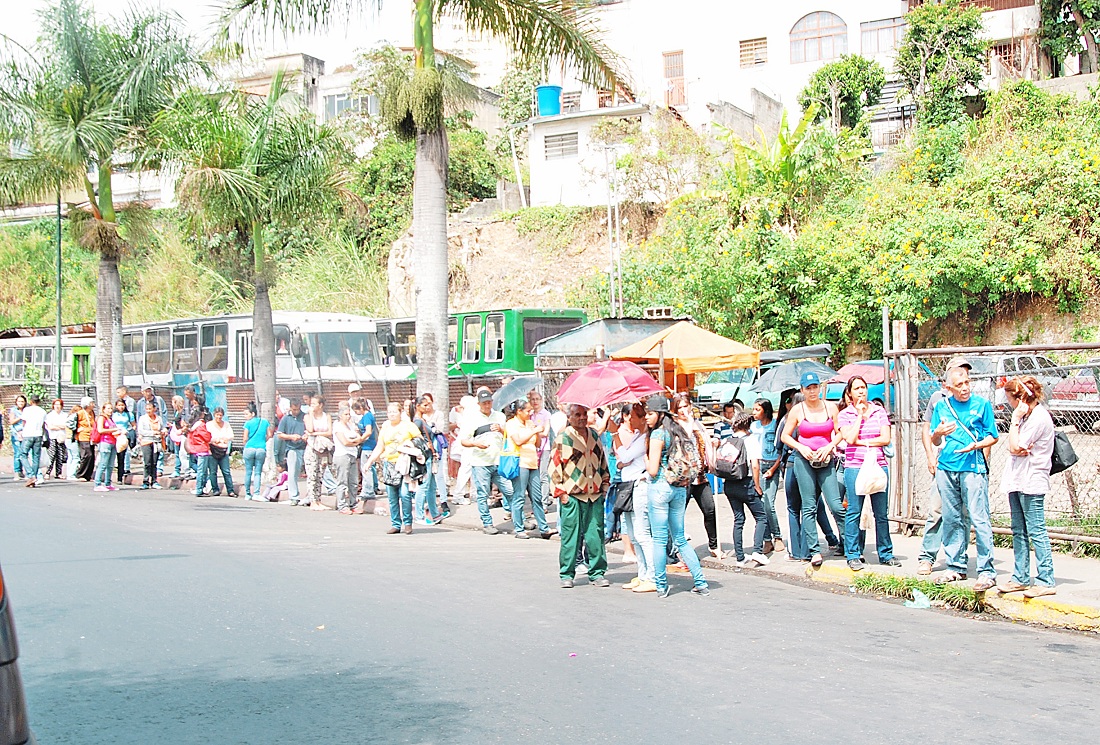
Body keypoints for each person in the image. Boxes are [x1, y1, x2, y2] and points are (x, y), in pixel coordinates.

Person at [930, 356, 1000, 592]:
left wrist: (977, 446)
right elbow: (935, 439)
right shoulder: (941, 406)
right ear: (948, 387)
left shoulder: (982, 405)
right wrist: (937, 433)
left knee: (979, 518)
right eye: (959, 385)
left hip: (973, 467)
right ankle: (955, 565)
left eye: (967, 383)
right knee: (951, 518)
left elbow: (993, 436)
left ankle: (987, 570)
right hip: (947, 467)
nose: (965, 388)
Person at [644, 395, 710, 598]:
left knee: (659, 539)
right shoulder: (679, 431)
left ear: (660, 414)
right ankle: (700, 581)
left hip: (660, 489)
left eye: (650, 413)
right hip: (680, 488)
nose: (647, 417)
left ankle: (661, 585)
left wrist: (644, 456)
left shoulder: (658, 435)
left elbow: (653, 470)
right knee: (680, 538)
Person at [1000, 376, 1057, 598]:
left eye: (1010, 400)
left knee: (1036, 530)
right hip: (1017, 478)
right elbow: (1014, 447)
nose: (1009, 405)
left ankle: (1046, 579)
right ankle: (1020, 577)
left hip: (1032, 480)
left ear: (1020, 399)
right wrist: (1015, 442)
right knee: (1019, 531)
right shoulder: (1027, 416)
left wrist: (1014, 421)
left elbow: (1015, 446)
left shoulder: (1037, 418)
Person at [780, 372, 844, 568]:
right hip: (804, 460)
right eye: (808, 388)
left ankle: (851, 545)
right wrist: (802, 447)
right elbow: (785, 436)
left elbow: (841, 432)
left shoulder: (830, 407)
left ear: (820, 388)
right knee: (808, 506)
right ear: (802, 390)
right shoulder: (798, 410)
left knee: (835, 504)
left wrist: (829, 446)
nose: (812, 391)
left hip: (826, 460)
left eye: (815, 386)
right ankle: (814, 551)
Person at [837, 376, 900, 571]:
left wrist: (865, 442)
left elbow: (885, 438)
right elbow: (849, 438)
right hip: (855, 466)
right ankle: (853, 554)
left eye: (863, 388)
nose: (861, 392)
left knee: (881, 513)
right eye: (856, 389)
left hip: (877, 465)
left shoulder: (879, 411)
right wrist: (858, 416)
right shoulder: (845, 414)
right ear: (850, 393)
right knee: (854, 511)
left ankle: (886, 553)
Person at [550, 404, 611, 588]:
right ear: (569, 417)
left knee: (596, 536)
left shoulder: (593, 435)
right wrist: (561, 494)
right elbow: (554, 467)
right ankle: (567, 574)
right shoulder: (563, 438)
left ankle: (597, 572)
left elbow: (602, 462)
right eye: (577, 415)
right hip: (573, 495)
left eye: (584, 414)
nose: (582, 418)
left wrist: (605, 486)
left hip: (594, 494)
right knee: (571, 537)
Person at [612, 403, 655, 592]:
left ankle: (652, 576)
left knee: (642, 533)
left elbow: (626, 455)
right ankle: (642, 573)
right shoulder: (638, 436)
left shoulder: (645, 438)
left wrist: (615, 435)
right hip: (627, 486)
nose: (629, 420)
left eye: (633, 417)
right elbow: (622, 460)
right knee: (632, 533)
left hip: (639, 486)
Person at [672, 394, 720, 558]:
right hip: (683, 478)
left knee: (710, 509)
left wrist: (713, 445)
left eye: (686, 406)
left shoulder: (698, 424)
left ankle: (713, 545)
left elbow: (705, 442)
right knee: (678, 514)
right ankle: (675, 548)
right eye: (680, 408)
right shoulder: (675, 426)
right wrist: (689, 423)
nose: (684, 410)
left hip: (700, 476)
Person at [461, 387, 514, 535]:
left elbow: (509, 435)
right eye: (484, 403)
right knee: (483, 493)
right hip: (480, 462)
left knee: (510, 491)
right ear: (479, 404)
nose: (487, 405)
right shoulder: (472, 418)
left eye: (489, 402)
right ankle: (487, 523)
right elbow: (464, 440)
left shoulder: (499, 416)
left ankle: (518, 519)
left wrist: (501, 430)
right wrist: (475, 444)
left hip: (498, 460)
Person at [720, 414, 770, 568]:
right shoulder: (751, 440)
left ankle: (740, 557)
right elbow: (755, 466)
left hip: (729, 484)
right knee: (761, 517)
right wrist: (757, 485)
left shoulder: (728, 440)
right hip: (746, 483)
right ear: (748, 425)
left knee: (739, 519)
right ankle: (757, 551)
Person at [366, 401, 422, 534]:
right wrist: (369, 461)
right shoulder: (385, 427)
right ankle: (396, 523)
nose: (392, 414)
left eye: (394, 412)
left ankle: (408, 523)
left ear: (400, 412)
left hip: (404, 464)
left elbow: (419, 440)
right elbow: (380, 446)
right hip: (389, 464)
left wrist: (409, 445)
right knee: (392, 496)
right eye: (389, 412)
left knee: (404, 494)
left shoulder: (408, 426)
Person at [505, 398, 552, 539]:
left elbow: (537, 443)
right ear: (519, 411)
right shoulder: (511, 424)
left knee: (536, 497)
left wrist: (536, 432)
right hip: (520, 463)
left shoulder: (530, 423)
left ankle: (544, 528)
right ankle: (519, 528)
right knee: (519, 496)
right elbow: (518, 440)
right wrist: (533, 431)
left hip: (532, 462)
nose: (530, 413)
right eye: (527, 411)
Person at [916, 383, 949, 575]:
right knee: (936, 510)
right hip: (943, 461)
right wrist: (930, 456)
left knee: (962, 515)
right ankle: (927, 557)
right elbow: (928, 430)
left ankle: (957, 559)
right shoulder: (938, 400)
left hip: (966, 464)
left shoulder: (976, 401)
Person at [750, 398, 785, 553]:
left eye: (757, 409)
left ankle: (777, 536)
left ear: (766, 410)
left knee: (768, 504)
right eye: (754, 409)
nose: (754, 413)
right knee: (760, 505)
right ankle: (767, 540)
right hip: (757, 466)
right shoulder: (753, 426)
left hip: (771, 466)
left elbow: (780, 450)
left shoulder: (775, 425)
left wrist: (774, 468)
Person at [412, 395, 444, 525]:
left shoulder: (422, 420)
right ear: (418, 406)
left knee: (431, 486)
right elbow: (416, 439)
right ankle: (419, 515)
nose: (427, 407)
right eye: (424, 405)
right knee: (424, 486)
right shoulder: (418, 422)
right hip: (425, 456)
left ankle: (434, 513)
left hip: (430, 455)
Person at [332, 402, 366, 514]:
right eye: (346, 414)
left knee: (353, 481)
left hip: (352, 455)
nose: (348, 416)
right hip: (342, 455)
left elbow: (360, 438)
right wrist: (353, 442)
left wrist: (354, 441)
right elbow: (344, 442)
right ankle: (342, 505)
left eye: (349, 414)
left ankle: (353, 503)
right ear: (340, 416)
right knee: (342, 481)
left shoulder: (351, 425)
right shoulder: (337, 425)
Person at [303, 395, 334, 511]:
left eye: (314, 404)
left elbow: (329, 432)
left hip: (323, 448)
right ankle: (312, 501)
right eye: (311, 404)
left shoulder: (327, 416)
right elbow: (310, 429)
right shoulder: (307, 417)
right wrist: (311, 414)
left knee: (320, 473)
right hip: (312, 447)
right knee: (312, 474)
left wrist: (315, 434)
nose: (312, 406)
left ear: (320, 405)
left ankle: (318, 499)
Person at [275, 400, 308, 505]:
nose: (296, 411)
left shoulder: (305, 417)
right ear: (290, 408)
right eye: (294, 409)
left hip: (305, 447)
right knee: (293, 472)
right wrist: (291, 437)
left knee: (312, 472)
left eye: (298, 409)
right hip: (292, 448)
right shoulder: (285, 419)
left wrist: (306, 436)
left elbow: (310, 429)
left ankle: (311, 496)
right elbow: (280, 434)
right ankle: (294, 496)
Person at [242, 402, 272, 501]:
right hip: (261, 448)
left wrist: (246, 444)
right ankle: (256, 493)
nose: (245, 416)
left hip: (249, 448)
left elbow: (245, 438)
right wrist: (263, 441)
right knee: (258, 472)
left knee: (248, 472)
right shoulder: (264, 422)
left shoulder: (248, 423)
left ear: (253, 414)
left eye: (247, 414)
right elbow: (269, 435)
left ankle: (247, 494)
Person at [206, 407, 236, 497]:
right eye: (217, 415)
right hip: (212, 450)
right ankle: (215, 489)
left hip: (223, 451)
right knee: (213, 471)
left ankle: (230, 490)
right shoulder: (209, 425)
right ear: (214, 415)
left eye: (220, 415)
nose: (219, 417)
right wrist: (214, 440)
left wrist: (225, 439)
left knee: (226, 471)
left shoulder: (226, 424)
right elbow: (207, 437)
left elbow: (231, 435)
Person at [19, 394, 47, 487]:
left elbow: (24, 422)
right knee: (36, 457)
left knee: (23, 454)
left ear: (31, 401)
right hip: (38, 434)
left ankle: (31, 475)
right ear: (39, 402)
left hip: (28, 434)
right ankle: (34, 477)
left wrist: (22, 432)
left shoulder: (27, 410)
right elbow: (43, 425)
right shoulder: (42, 411)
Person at [93, 403, 122, 492]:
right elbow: (100, 430)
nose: (110, 410)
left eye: (111, 408)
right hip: (105, 442)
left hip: (113, 442)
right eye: (108, 408)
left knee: (110, 465)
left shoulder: (111, 419)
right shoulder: (102, 418)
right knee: (103, 463)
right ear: (104, 409)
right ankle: (97, 483)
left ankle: (108, 483)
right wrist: (113, 430)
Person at [136, 401, 165, 490]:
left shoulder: (158, 418)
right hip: (146, 441)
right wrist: (153, 433)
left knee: (154, 462)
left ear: (154, 409)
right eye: (147, 409)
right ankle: (145, 481)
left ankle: (154, 481)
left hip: (156, 442)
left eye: (150, 409)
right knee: (147, 462)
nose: (148, 411)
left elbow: (162, 427)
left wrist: (163, 431)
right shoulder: (143, 419)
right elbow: (141, 431)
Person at [356, 399, 378, 500]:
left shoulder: (367, 416)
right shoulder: (366, 416)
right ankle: (371, 488)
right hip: (367, 445)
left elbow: (368, 431)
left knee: (366, 468)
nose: (356, 412)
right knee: (369, 468)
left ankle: (368, 491)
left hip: (368, 445)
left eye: (356, 410)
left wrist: (360, 440)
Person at [187, 410, 212, 497]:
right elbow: (206, 437)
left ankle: (201, 488)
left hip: (197, 448)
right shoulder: (201, 425)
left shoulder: (194, 426)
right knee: (202, 470)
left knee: (201, 469)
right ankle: (199, 489)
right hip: (202, 449)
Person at [43, 399, 68, 480]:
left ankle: (59, 473)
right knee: (52, 455)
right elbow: (50, 426)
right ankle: (47, 472)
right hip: (52, 437)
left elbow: (66, 426)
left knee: (60, 455)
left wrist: (57, 426)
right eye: (56, 404)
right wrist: (59, 426)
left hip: (61, 437)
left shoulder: (65, 415)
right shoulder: (50, 415)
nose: (57, 406)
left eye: (59, 404)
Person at [111, 398, 133, 485]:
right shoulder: (113, 415)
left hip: (123, 436)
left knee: (122, 456)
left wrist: (128, 430)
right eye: (119, 405)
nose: (121, 407)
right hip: (114, 435)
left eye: (122, 405)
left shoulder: (128, 414)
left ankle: (120, 476)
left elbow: (133, 425)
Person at [75, 397, 96, 481]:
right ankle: (80, 474)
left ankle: (88, 475)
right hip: (83, 436)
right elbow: (71, 422)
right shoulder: (80, 413)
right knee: (87, 454)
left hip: (91, 436)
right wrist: (77, 429)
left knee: (92, 456)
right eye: (91, 403)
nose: (93, 405)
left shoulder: (92, 413)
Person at [8, 395, 26, 481]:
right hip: (16, 434)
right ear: (16, 402)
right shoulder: (13, 410)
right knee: (17, 453)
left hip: (25, 434)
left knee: (24, 453)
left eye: (22, 401)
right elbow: (11, 422)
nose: (21, 403)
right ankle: (17, 471)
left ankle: (22, 471)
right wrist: (20, 417)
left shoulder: (27, 410)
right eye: (19, 401)